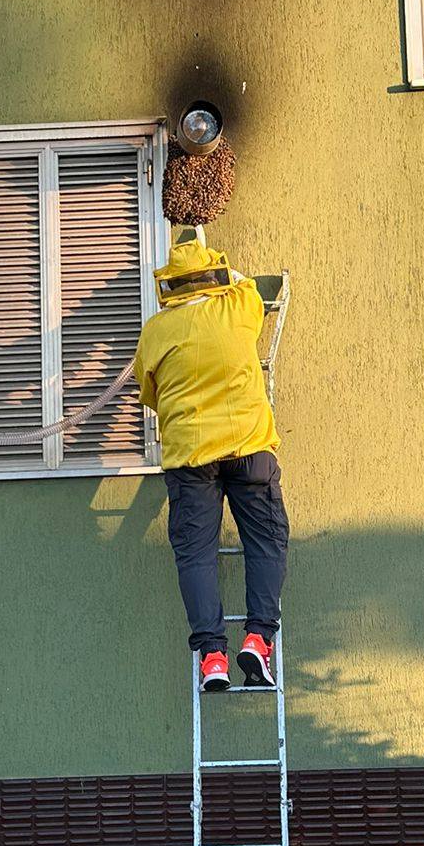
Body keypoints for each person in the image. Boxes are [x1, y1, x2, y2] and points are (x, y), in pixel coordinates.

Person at [133, 225, 287, 694]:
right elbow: (248, 286)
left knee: (196, 555)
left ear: (170, 285)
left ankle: (213, 658)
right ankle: (258, 640)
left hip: (191, 457)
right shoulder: (237, 306)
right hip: (248, 446)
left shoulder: (155, 331)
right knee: (266, 541)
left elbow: (149, 393)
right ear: (212, 274)